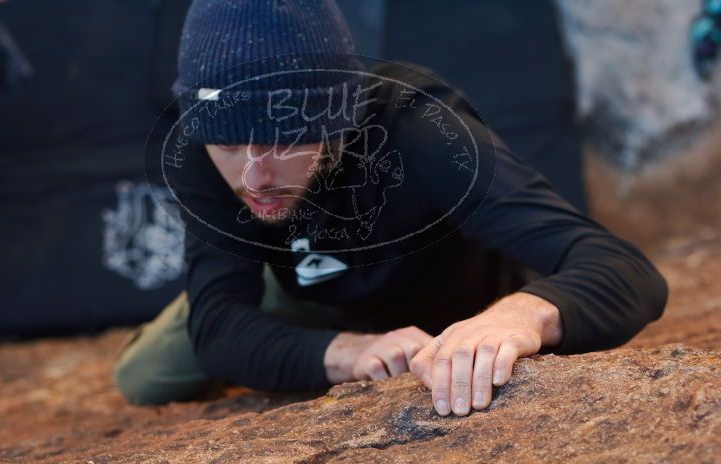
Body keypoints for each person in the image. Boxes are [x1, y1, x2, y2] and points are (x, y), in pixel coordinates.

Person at [115, 0, 668, 417]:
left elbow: (622, 269)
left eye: (287, 142)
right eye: (229, 144)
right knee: (145, 377)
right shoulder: (199, 150)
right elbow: (218, 328)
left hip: (443, 295)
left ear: (336, 119)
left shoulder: (423, 133)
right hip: (306, 287)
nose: (254, 176)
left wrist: (517, 317)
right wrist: (348, 353)